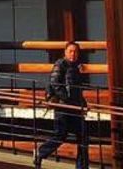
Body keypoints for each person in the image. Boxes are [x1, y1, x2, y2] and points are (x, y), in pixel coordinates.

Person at [35, 41, 88, 169]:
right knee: (60, 135)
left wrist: (83, 103)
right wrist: (67, 99)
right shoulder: (60, 64)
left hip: (74, 107)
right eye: (71, 51)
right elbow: (55, 84)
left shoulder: (76, 68)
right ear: (65, 52)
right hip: (63, 106)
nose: (73, 54)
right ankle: (40, 152)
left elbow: (77, 89)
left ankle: (82, 167)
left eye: (75, 52)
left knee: (83, 137)